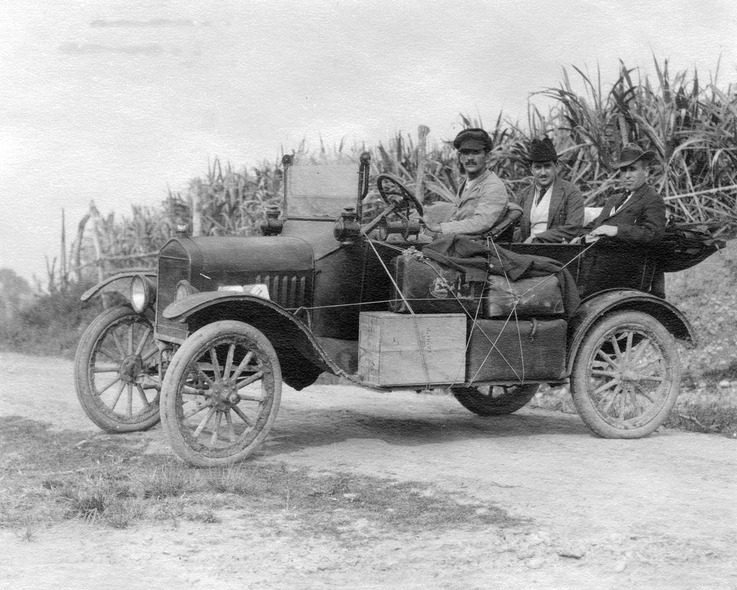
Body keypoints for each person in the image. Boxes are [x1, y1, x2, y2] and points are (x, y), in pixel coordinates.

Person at [420, 128, 509, 235]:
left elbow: (481, 223)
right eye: (465, 153)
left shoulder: (493, 186)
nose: (470, 158)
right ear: (460, 157)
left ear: (487, 156)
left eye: (476, 153)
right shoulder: (467, 183)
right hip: (458, 239)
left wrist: (440, 228)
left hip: (474, 245)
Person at [584, 144, 666, 245]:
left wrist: (617, 230)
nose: (627, 176)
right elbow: (595, 225)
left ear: (646, 172)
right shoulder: (614, 199)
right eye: (623, 170)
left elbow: (653, 234)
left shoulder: (652, 198)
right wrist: (580, 237)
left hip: (621, 257)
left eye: (632, 169)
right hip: (591, 253)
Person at [514, 137, 584, 243]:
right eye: (537, 167)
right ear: (531, 169)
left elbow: (573, 227)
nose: (543, 173)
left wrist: (537, 238)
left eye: (547, 166)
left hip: (555, 248)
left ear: (556, 166)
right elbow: (515, 226)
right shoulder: (524, 195)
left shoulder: (571, 192)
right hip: (526, 248)